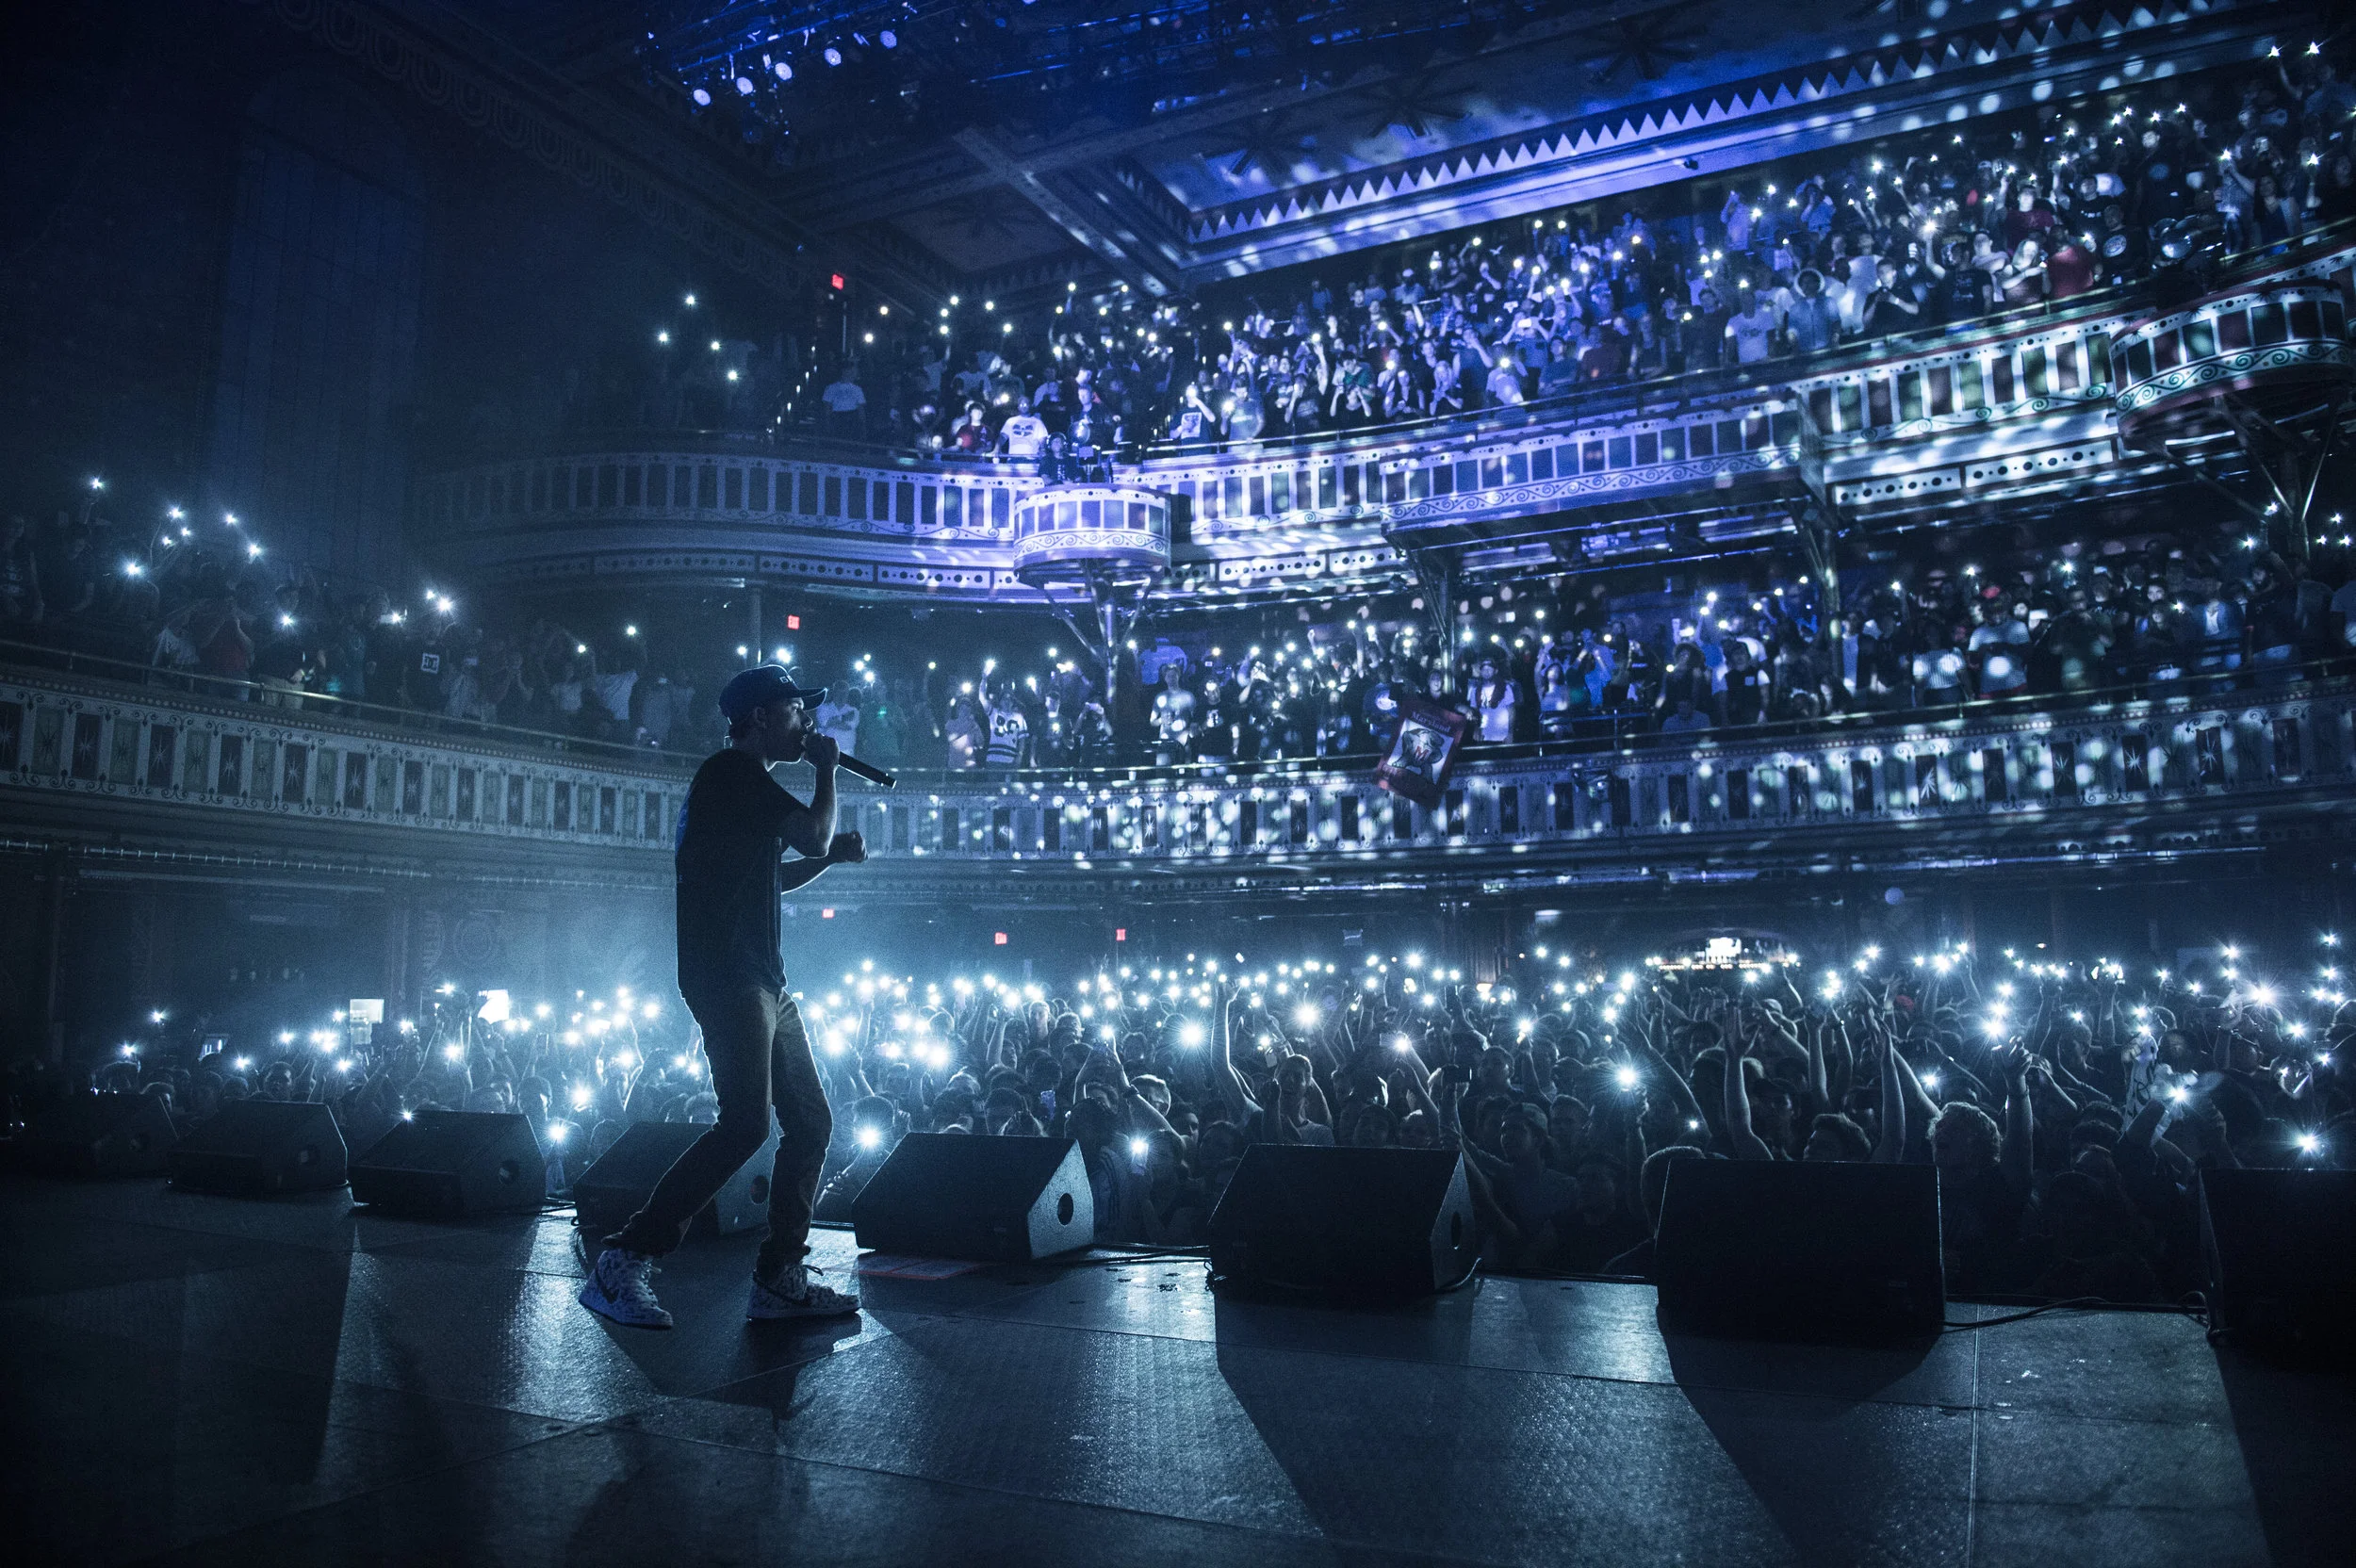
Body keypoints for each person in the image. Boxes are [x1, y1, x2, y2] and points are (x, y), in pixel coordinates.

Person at [578, 664, 867, 1330]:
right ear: (761, 717)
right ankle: (624, 1259)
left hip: (761, 979)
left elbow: (775, 875)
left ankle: (779, 1277)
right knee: (746, 1124)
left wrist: (826, 862)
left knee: (811, 1121)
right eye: (797, 712)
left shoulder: (742, 791)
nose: (808, 726)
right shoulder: (732, 775)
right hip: (730, 976)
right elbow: (813, 831)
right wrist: (827, 773)